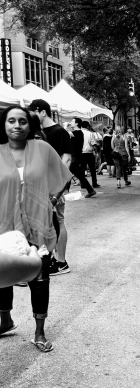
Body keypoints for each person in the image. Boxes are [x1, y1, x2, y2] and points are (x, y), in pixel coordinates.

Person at [0, 105, 72, 351]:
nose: (17, 125)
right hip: (3, 224)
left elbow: (63, 175)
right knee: (4, 273)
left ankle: (39, 333)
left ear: (30, 125)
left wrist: (51, 199)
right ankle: (5, 320)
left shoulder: (42, 149)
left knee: (39, 277)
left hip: (38, 222)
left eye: (22, 121)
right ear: (4, 125)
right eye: (11, 121)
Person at [28, 99, 73, 277]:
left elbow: (67, 159)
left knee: (59, 221)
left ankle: (61, 262)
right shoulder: (39, 132)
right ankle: (51, 257)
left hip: (55, 187)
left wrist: (57, 186)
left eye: (33, 112)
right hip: (39, 185)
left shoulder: (59, 131)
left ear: (42, 112)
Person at [69, 119, 96, 198]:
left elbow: (65, 133)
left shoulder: (78, 132)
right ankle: (90, 190)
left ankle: (63, 191)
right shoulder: (77, 132)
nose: (71, 122)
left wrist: (65, 126)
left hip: (76, 156)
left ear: (76, 123)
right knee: (78, 174)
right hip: (75, 156)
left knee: (70, 172)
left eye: (72, 121)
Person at [80, 121, 100, 189]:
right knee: (92, 169)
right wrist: (96, 152)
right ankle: (94, 183)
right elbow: (93, 143)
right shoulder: (90, 134)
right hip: (89, 152)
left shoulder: (78, 133)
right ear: (87, 126)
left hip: (81, 153)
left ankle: (82, 183)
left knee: (82, 169)